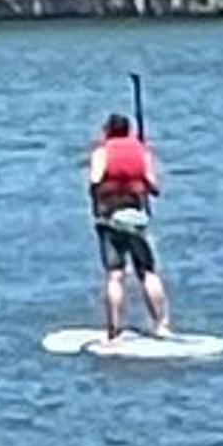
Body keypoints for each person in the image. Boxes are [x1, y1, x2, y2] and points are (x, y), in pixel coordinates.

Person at [88, 113, 171, 339]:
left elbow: (95, 180)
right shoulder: (142, 152)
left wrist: (96, 204)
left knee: (115, 275)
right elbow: (154, 187)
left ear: (107, 131)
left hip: (109, 218)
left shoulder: (101, 152)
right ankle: (161, 325)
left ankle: (115, 328)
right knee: (148, 272)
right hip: (136, 218)